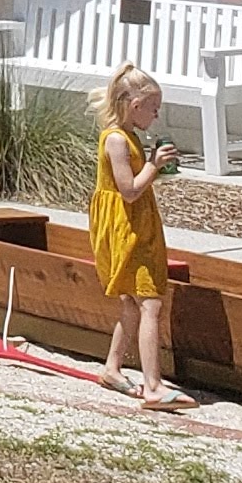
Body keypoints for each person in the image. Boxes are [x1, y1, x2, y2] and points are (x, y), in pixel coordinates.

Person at [92, 64, 191, 408]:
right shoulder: (117, 140)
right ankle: (153, 385)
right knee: (150, 302)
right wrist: (153, 165)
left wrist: (153, 167)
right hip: (125, 228)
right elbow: (129, 191)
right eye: (153, 108)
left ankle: (112, 368)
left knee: (131, 304)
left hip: (138, 224)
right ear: (134, 107)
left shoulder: (130, 136)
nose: (156, 115)